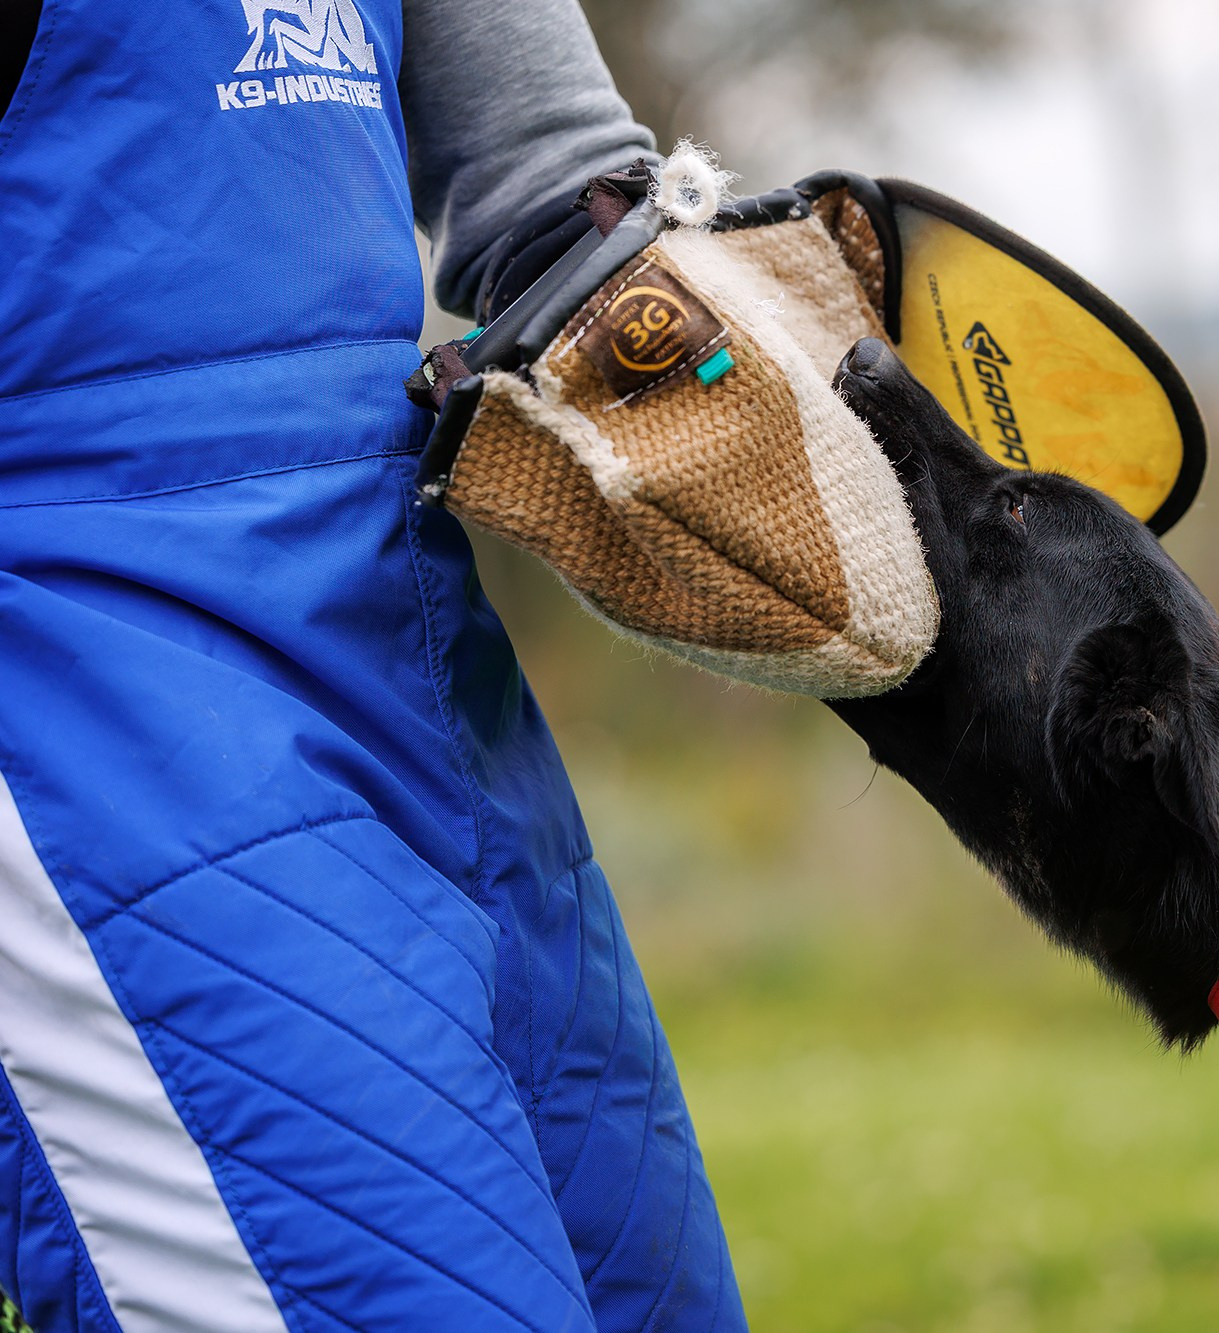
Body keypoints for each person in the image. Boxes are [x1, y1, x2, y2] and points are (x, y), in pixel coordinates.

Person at [0, 3, 745, 1329]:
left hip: (420, 649)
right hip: (83, 685)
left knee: (653, 1295)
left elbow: (549, 178)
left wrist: (662, 297)